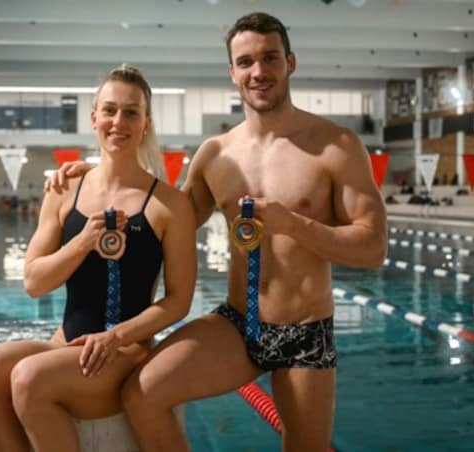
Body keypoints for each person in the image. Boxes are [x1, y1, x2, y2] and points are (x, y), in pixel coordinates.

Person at [47, 12, 387, 451]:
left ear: (291, 62)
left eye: (270, 58)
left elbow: (373, 248)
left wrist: (293, 224)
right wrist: (98, 176)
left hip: (305, 330)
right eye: (246, 62)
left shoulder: (335, 146)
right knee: (143, 393)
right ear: (232, 72)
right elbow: (160, 220)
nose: (258, 72)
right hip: (238, 323)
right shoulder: (216, 154)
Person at [0, 64, 196, 452]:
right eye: (109, 110)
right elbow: (34, 282)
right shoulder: (65, 188)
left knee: (28, 379)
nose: (118, 121)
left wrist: (115, 336)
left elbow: (178, 302)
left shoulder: (169, 204)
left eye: (131, 112)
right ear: (94, 118)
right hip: (65, 345)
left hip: (124, 354)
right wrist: (83, 241)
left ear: (146, 124)